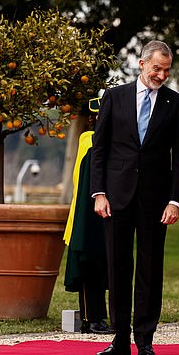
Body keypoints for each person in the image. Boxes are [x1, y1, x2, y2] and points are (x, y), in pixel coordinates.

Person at [90, 40, 179, 355]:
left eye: (166, 70)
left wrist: (175, 201)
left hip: (156, 200)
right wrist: (99, 193)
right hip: (115, 197)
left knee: (150, 268)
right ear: (142, 64)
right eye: (157, 68)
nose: (161, 75)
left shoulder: (177, 103)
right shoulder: (114, 97)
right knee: (118, 267)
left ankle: (145, 339)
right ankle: (119, 339)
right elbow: (100, 150)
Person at [62, 101, 113, 335]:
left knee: (105, 267)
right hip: (89, 214)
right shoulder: (90, 143)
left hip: (105, 214)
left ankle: (103, 317)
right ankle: (91, 318)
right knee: (90, 264)